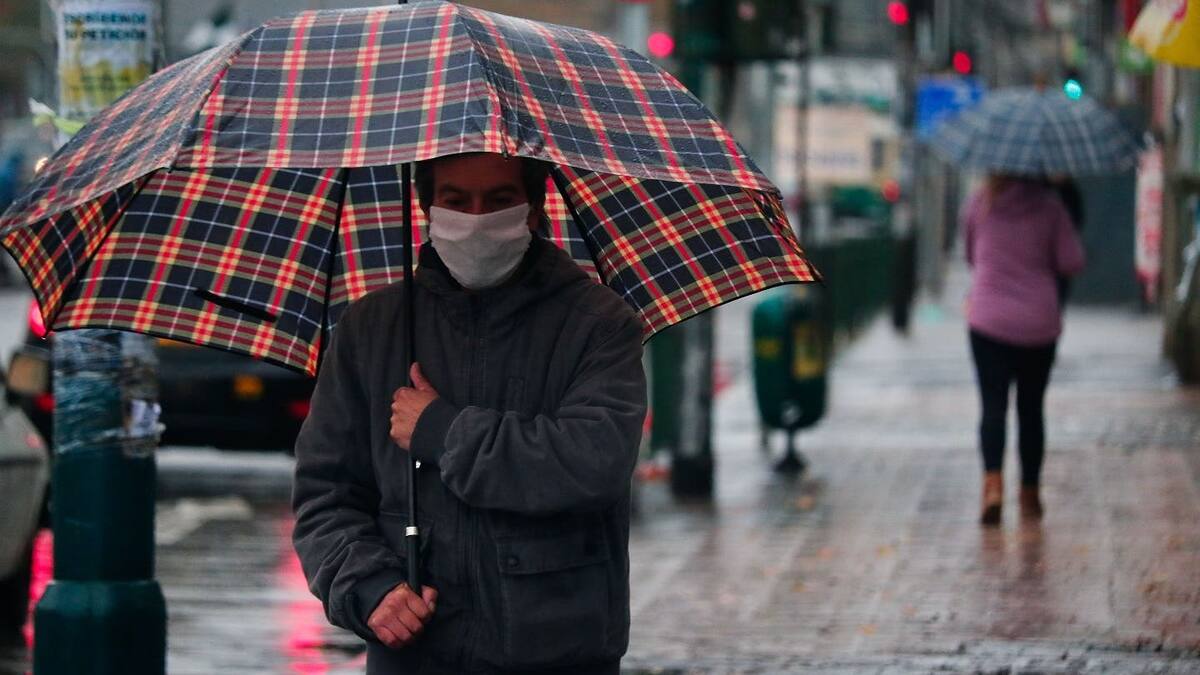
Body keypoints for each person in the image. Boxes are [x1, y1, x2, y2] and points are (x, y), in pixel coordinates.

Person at [292, 152, 648, 674]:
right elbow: (325, 496)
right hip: (417, 656)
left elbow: (594, 462)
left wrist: (441, 430)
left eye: (498, 200)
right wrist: (370, 589)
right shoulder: (372, 329)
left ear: (532, 208)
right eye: (456, 201)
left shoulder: (598, 323)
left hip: (559, 652)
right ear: (427, 207)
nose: (476, 218)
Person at [962, 174, 1085, 526]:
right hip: (1038, 324)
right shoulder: (1051, 208)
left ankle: (993, 486)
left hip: (988, 320)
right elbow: (1072, 261)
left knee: (992, 406)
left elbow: (971, 254)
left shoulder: (979, 203)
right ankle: (1030, 493)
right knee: (1031, 409)